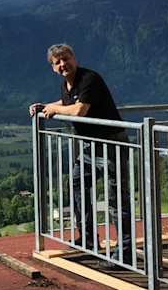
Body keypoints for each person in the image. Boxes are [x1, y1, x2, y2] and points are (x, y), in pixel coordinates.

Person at [29, 43, 132, 262]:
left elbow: (79, 110)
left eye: (66, 59)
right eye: (57, 62)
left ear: (74, 58)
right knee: (77, 184)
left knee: (116, 199)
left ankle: (125, 252)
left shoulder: (89, 79)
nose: (63, 64)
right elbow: (67, 102)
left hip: (111, 143)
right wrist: (43, 106)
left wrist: (54, 109)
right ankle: (88, 238)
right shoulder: (67, 85)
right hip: (90, 146)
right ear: (53, 68)